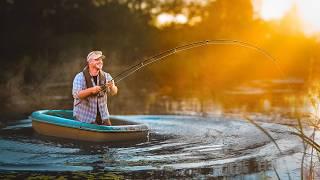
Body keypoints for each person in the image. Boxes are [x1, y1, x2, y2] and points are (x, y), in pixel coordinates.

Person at [72, 51, 118, 125]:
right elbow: (77, 95)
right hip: (84, 118)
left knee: (110, 131)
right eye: (97, 60)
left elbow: (114, 92)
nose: (100, 62)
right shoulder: (79, 77)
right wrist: (91, 90)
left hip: (103, 117)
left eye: (101, 60)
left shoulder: (106, 76)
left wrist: (112, 86)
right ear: (89, 62)